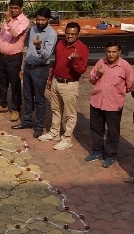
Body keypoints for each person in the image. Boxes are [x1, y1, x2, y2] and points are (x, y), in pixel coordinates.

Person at [38, 22, 89, 150]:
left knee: (69, 114)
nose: (70, 36)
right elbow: (56, 63)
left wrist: (75, 62)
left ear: (78, 35)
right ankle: (54, 133)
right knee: (56, 110)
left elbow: (82, 70)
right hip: (57, 81)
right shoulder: (60, 44)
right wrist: (51, 79)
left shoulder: (82, 49)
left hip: (70, 84)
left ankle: (67, 138)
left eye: (73, 34)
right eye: (68, 33)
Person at [85, 41, 134, 169]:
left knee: (112, 132)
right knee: (96, 129)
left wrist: (117, 94)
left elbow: (129, 86)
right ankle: (97, 152)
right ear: (105, 52)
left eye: (114, 52)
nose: (111, 55)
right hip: (97, 102)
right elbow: (91, 80)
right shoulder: (100, 62)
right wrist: (98, 74)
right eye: (108, 52)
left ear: (119, 52)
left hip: (114, 105)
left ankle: (110, 156)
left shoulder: (125, 66)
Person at [12, 7, 57, 138]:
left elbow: (47, 54)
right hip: (28, 67)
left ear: (48, 20)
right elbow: (28, 51)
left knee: (39, 99)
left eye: (43, 20)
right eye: (38, 19)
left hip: (40, 69)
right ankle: (26, 121)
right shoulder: (33, 30)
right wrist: (23, 66)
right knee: (27, 97)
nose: (40, 22)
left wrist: (38, 47)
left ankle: (39, 126)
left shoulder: (51, 34)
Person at [0, 0, 29, 121]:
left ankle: (16, 109)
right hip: (2, 56)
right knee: (1, 82)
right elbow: (1, 37)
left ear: (21, 9)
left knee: (15, 84)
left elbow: (15, 33)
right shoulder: (6, 20)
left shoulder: (24, 21)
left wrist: (9, 21)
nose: (12, 10)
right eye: (11, 8)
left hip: (14, 58)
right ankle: (2, 104)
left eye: (15, 8)